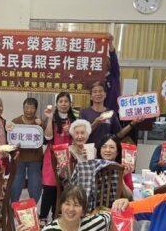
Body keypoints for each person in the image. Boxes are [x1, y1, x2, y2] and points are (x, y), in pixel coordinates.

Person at [40, 92, 76, 223]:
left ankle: (58, 216)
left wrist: (71, 131)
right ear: (56, 104)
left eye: (66, 101)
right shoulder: (51, 118)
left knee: (63, 188)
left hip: (68, 157)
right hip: (51, 157)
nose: (63, 104)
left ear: (70, 104)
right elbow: (48, 137)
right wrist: (50, 118)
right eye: (61, 101)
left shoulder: (74, 120)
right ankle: (43, 217)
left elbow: (78, 139)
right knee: (49, 187)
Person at [80, 81, 135, 147]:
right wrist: (95, 123)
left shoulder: (111, 113)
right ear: (91, 97)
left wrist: (133, 123)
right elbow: (81, 134)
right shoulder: (84, 112)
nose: (98, 93)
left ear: (105, 95)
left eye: (100, 91)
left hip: (106, 150)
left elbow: (119, 134)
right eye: (95, 91)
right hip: (89, 150)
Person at [10, 97, 44, 203]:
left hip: (35, 158)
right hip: (19, 157)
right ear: (23, 108)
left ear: (36, 109)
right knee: (16, 182)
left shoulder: (39, 122)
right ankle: (13, 205)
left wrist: (41, 125)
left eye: (32, 108)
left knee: (35, 184)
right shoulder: (15, 122)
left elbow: (46, 139)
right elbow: (11, 139)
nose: (29, 110)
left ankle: (33, 205)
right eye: (26, 107)